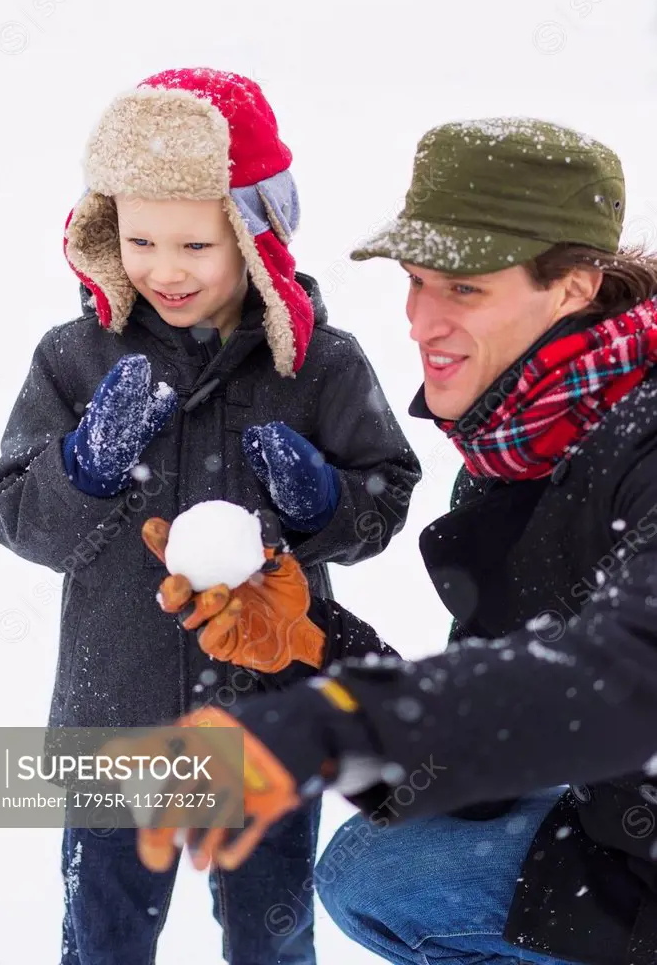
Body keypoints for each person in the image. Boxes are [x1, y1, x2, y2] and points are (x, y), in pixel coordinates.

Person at [113, 117, 657, 965]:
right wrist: (314, 650)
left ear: (574, 286)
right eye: (416, 281)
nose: (420, 321)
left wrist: (326, 728)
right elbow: (493, 758)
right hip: (631, 825)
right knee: (384, 869)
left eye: (465, 290)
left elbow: (628, 683)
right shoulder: (522, 436)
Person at [0, 67, 420, 965]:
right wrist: (83, 469)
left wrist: (325, 503)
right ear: (104, 230)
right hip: (117, 719)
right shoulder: (74, 358)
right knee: (103, 937)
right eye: (139, 240)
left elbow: (388, 495)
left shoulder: (319, 364)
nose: (164, 270)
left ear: (257, 240)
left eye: (196, 246)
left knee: (272, 936)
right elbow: (16, 515)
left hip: (268, 720)